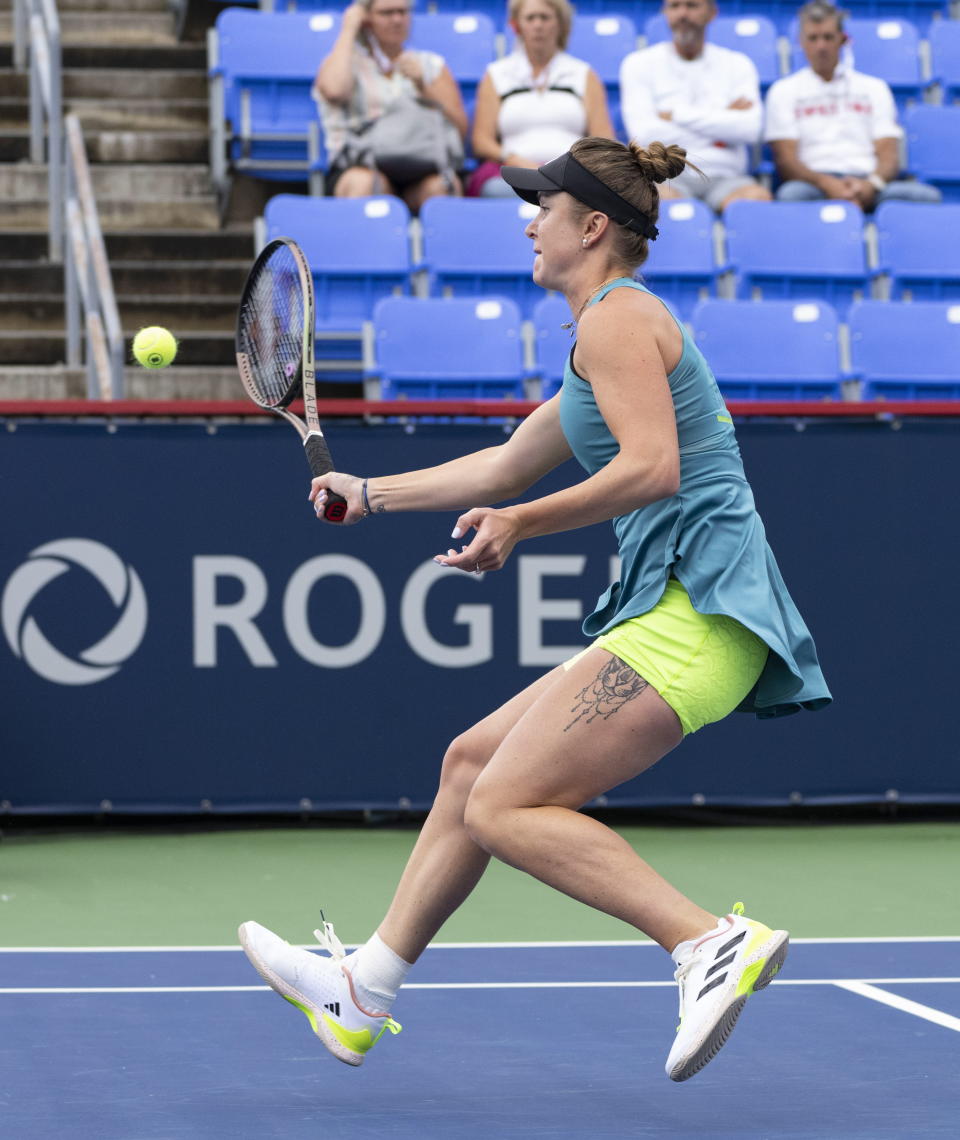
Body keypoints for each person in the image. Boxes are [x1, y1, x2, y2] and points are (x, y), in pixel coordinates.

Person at [238, 136, 831, 1084]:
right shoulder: (600, 335)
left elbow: (650, 469)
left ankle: (704, 943)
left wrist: (519, 525)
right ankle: (364, 991)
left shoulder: (617, 320)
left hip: (700, 611)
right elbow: (504, 465)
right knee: (470, 764)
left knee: (506, 804)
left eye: (543, 209)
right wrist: (369, 490)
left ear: (592, 227)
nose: (528, 221)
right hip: (679, 612)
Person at [764, 0, 941, 208]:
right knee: (791, 195)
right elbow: (786, 160)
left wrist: (870, 185)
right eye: (813, 38)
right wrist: (828, 184)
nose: (821, 46)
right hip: (813, 184)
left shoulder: (874, 88)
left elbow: (888, 154)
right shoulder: (784, 91)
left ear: (843, 39)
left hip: (869, 183)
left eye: (828, 37)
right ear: (801, 42)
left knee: (926, 197)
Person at [313, 0, 468, 211]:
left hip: (421, 166)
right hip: (360, 165)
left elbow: (459, 129)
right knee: (363, 184)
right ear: (366, 19)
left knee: (442, 187)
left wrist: (423, 87)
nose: (397, 19)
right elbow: (334, 90)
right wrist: (349, 29)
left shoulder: (430, 64)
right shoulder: (347, 62)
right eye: (386, 13)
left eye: (403, 12)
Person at [619, 0, 771, 211]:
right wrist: (724, 119)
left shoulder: (738, 64)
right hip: (667, 177)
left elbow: (749, 130)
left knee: (756, 203)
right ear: (665, 12)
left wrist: (674, 115)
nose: (683, 14)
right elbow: (645, 135)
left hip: (728, 177)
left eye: (692, 5)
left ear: (712, 12)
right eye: (674, 6)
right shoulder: (638, 64)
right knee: (657, 204)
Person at [469, 0, 615, 198]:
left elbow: (603, 139)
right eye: (530, 18)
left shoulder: (584, 74)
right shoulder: (496, 74)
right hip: (514, 172)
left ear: (560, 24)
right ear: (516, 25)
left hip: (571, 173)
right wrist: (516, 160)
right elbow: (482, 141)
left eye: (545, 17)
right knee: (497, 189)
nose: (538, 25)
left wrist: (569, 167)